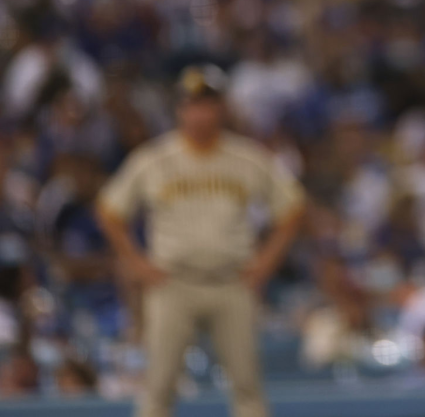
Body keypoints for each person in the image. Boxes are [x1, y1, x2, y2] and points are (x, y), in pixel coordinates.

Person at [97, 65, 306, 417]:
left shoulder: (246, 157)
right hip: (172, 282)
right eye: (191, 103)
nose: (199, 112)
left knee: (247, 389)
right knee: (158, 389)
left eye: (207, 103)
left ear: (221, 108)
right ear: (180, 109)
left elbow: (292, 208)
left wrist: (266, 262)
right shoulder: (155, 158)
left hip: (231, 281)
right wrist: (136, 262)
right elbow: (109, 210)